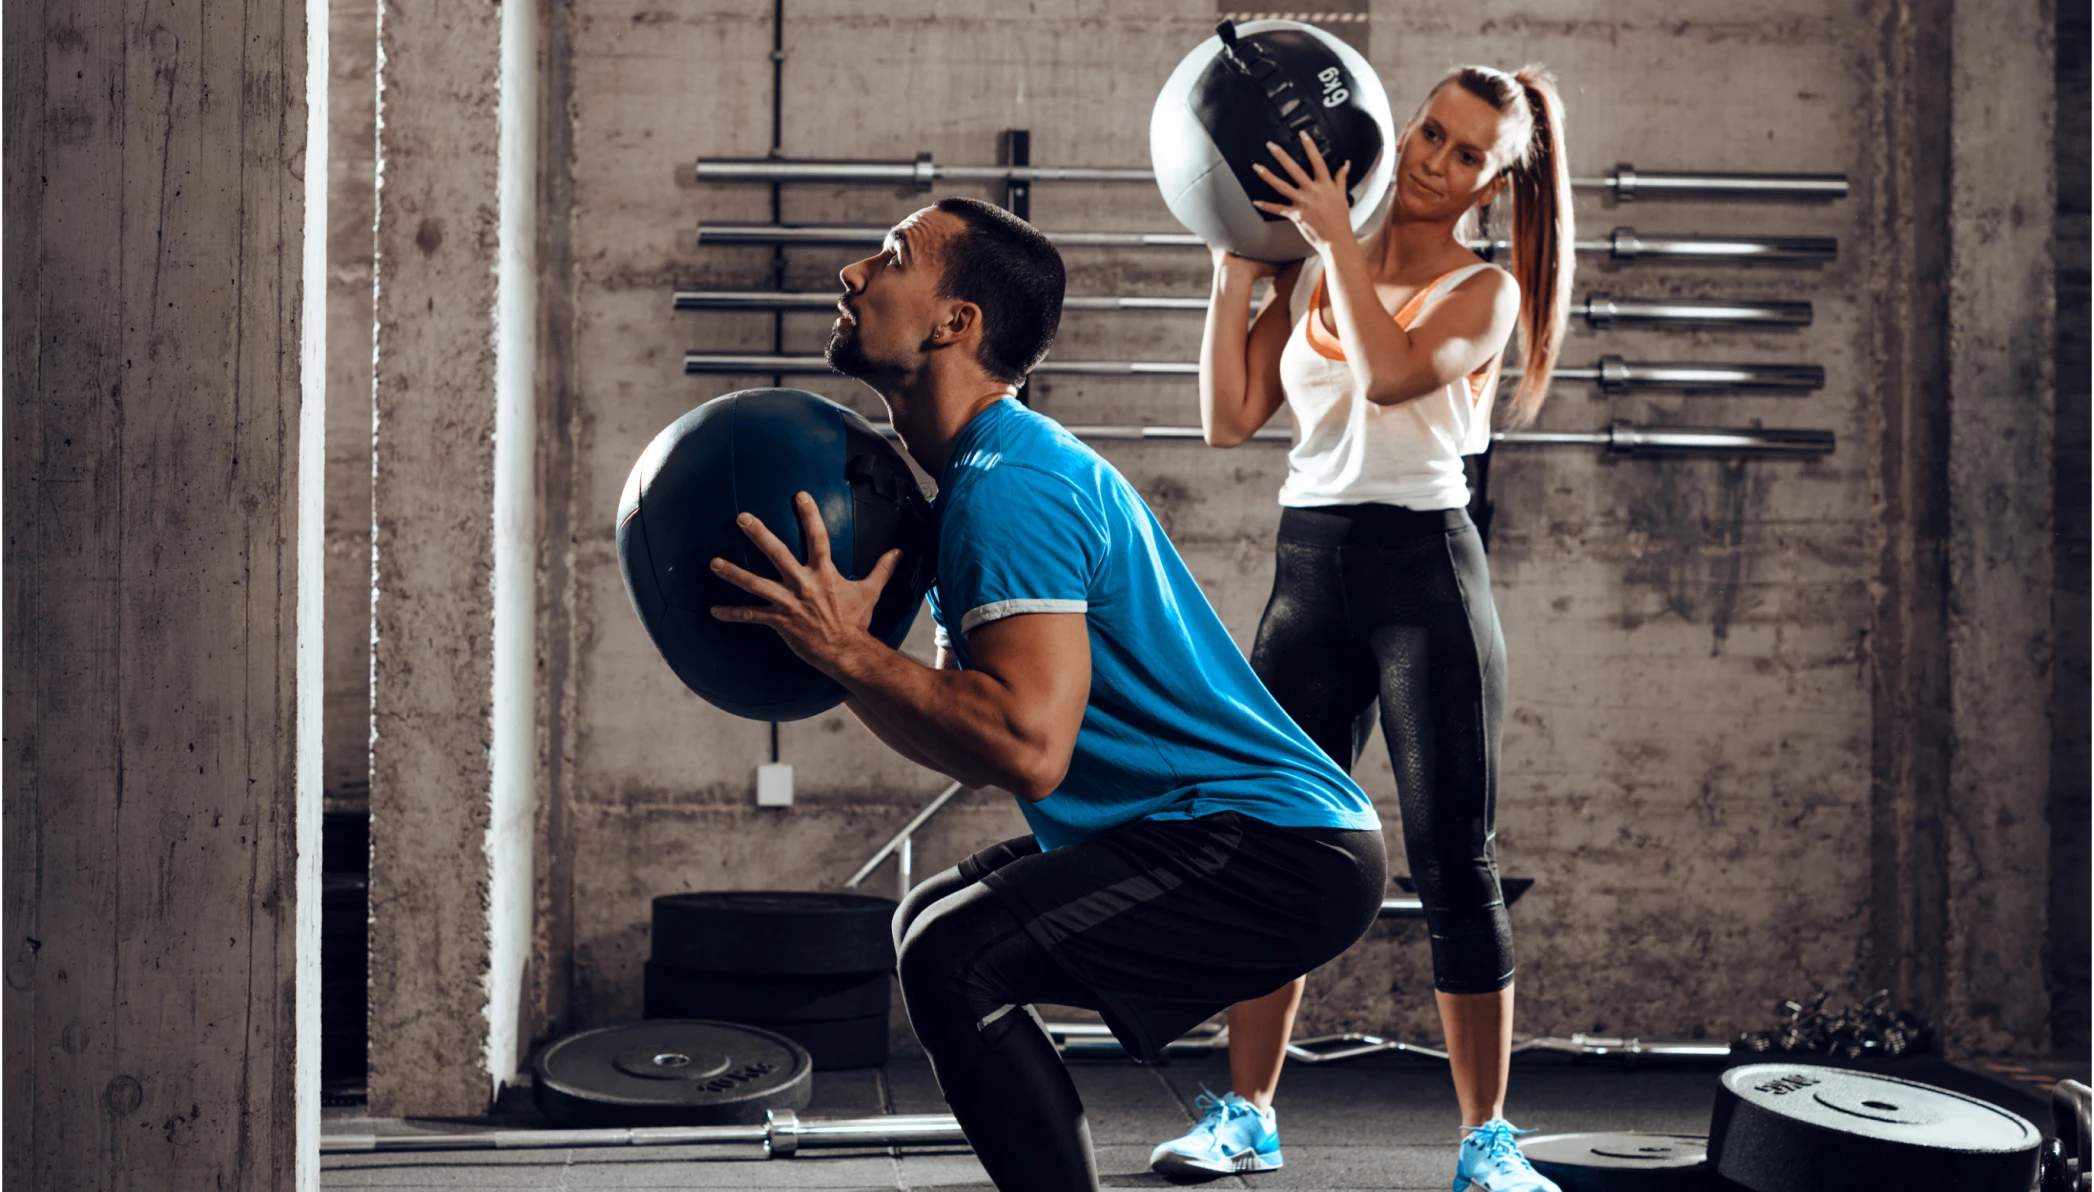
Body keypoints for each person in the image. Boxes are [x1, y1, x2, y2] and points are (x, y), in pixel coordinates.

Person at [707, 195, 1388, 1192]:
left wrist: (848, 654)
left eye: (890, 257)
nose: (853, 273)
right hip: (1229, 829)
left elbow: (1027, 748)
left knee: (954, 953)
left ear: (955, 323)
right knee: (931, 921)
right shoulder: (981, 478)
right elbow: (978, 732)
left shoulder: (1009, 489)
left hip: (1276, 848)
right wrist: (842, 655)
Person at [1169, 66, 1575, 1192]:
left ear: (1498, 188)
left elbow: (1393, 375)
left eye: (1466, 156)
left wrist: (1333, 239)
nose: (1436, 160)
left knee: (1455, 860)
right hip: (1308, 573)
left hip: (1423, 576)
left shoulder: (1483, 294)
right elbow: (1227, 419)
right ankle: (1247, 1111)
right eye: (1431, 132)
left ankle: (1486, 1140)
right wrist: (1231, 275)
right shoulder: (1316, 264)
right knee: (1272, 844)